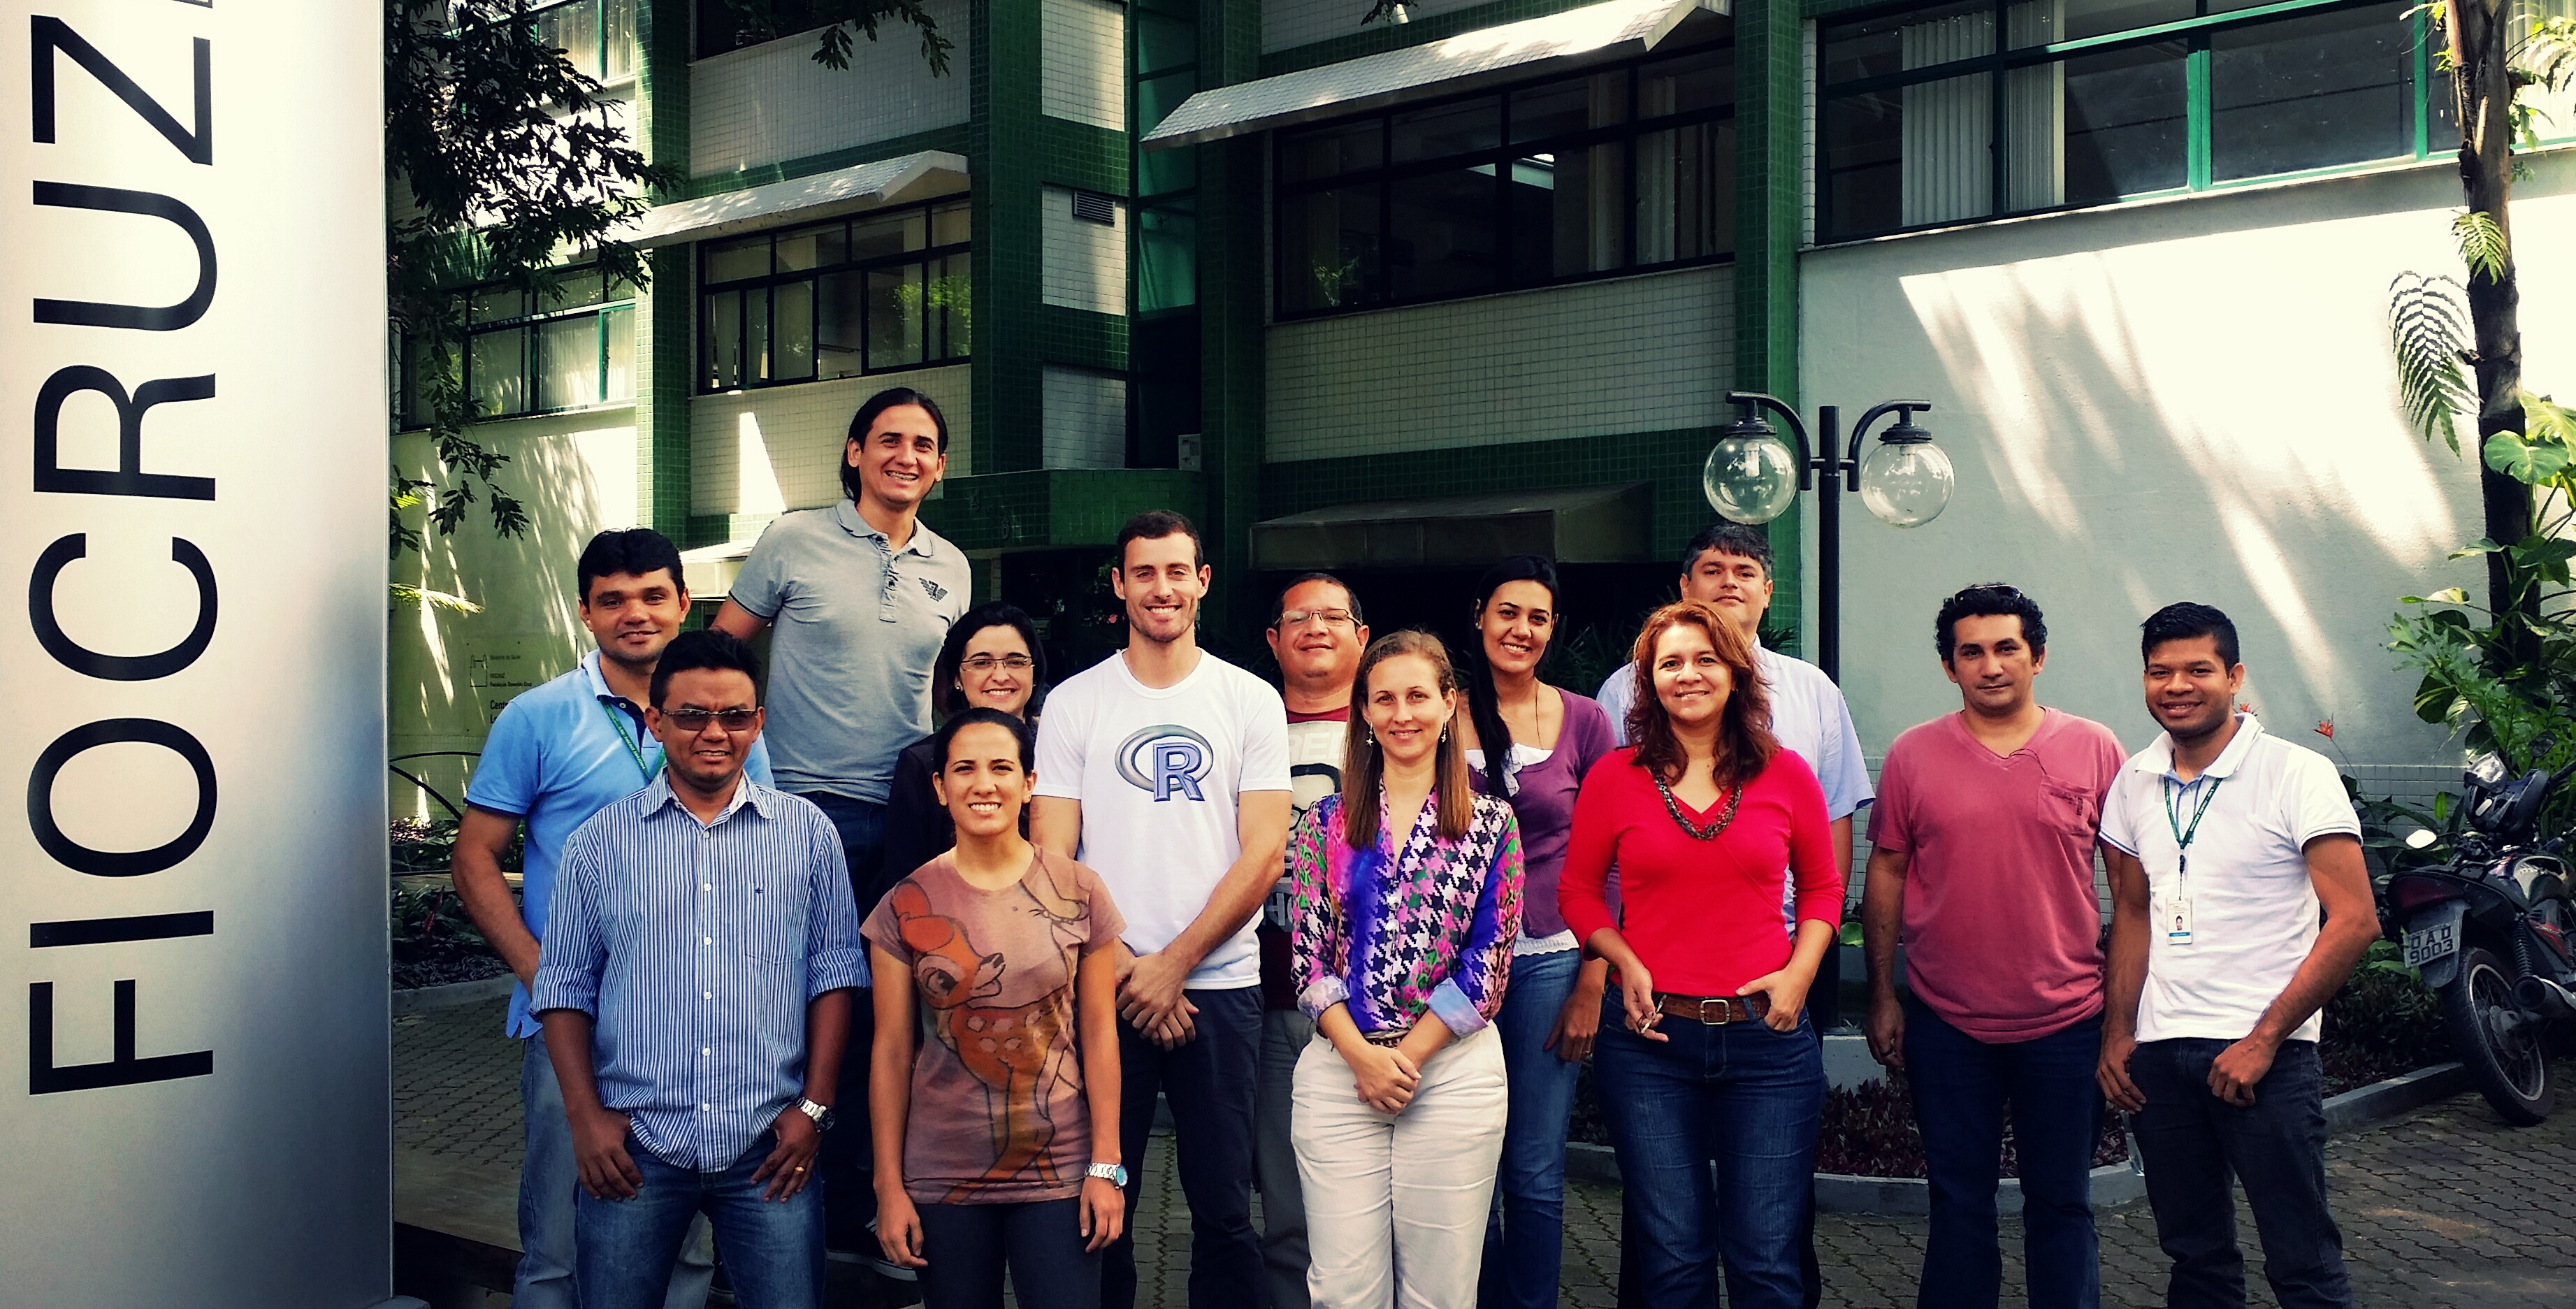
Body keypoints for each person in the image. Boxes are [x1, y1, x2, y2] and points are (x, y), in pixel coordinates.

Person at [453, 528, 770, 1309]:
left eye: (653, 595)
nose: (636, 613)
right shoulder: (538, 717)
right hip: (578, 1024)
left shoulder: (723, 714)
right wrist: (540, 973)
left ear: (683, 603)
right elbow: (473, 858)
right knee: (559, 1242)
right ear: (585, 612)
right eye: (613, 599)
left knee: (685, 1248)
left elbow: (761, 848)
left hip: (698, 1022)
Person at [529, 629, 867, 1309]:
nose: (714, 732)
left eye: (734, 715)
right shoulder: (599, 844)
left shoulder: (808, 835)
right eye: (691, 715)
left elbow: (832, 976)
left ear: (757, 722)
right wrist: (585, 1119)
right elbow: (563, 988)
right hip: (635, 1146)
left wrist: (815, 1108)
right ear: (656, 721)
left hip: (770, 1145)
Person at [712, 385, 973, 1259]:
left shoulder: (951, 565)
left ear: (939, 465)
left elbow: (951, 694)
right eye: (888, 439)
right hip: (797, 811)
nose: (906, 456)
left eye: (924, 444)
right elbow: (722, 649)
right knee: (779, 1010)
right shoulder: (793, 538)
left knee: (876, 1018)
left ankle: (857, 1204)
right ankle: (751, 1205)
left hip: (905, 821)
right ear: (855, 452)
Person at [1595, 523, 1869, 1309]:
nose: (1727, 582)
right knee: (1666, 1242)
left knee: (1769, 1237)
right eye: (1709, 569)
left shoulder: (1811, 693)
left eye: (1744, 570)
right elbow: (1605, 851)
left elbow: (1831, 842)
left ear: (1767, 591)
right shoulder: (1624, 691)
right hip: (1657, 989)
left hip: (1778, 977)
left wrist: (1805, 963)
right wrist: (1615, 961)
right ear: (1684, 588)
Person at [1032, 510, 1294, 1309]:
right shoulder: (1074, 702)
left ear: (1201, 581)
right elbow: (1051, 857)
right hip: (1103, 988)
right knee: (1102, 1205)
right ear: (1118, 585)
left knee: (1223, 1209)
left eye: (1176, 571)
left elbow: (1264, 854)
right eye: (1143, 572)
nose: (1161, 588)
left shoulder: (1249, 699)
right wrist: (1128, 971)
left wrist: (1172, 966)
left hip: (1220, 988)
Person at [2097, 604, 2375, 1309]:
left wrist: (2263, 1039)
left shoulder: (2295, 772)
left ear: (2234, 675)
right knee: (2195, 1261)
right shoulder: (2133, 780)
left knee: (2302, 1263)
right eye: (2159, 671)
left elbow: (2354, 919)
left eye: (2197, 669)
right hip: (2160, 1058)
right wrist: (2118, 1032)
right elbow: (2132, 912)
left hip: (2264, 1059)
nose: (2176, 686)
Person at [1859, 585, 2126, 1309]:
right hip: (1947, 1023)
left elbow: (2131, 892)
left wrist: (2124, 1017)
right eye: (1970, 652)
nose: (1990, 665)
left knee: (2062, 1201)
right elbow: (1886, 870)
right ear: (1949, 667)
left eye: (2007, 647)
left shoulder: (2095, 748)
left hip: (2066, 1021)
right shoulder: (1913, 755)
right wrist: (1882, 994)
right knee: (1957, 1201)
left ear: (2038, 657)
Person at [1290, 630, 1524, 1309]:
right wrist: (1364, 1059)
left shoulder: (1491, 824)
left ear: (1449, 704)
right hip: (1341, 1071)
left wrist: (1405, 1059)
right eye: (1384, 699)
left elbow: (1489, 964)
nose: (1402, 714)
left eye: (1418, 696)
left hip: (1451, 1074)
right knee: (1342, 1291)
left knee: (1439, 1294)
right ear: (1364, 711)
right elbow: (1309, 958)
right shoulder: (1324, 824)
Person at [866, 708, 1129, 1309]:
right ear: (940, 787)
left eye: (1001, 767)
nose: (983, 783)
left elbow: (1098, 1033)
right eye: (964, 769)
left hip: (1061, 1170)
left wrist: (1106, 1164)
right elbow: (892, 1051)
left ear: (1029, 783)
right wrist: (889, 1186)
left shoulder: (1080, 891)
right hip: (940, 1172)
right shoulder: (904, 904)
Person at [1451, 557, 1615, 1309]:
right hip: (1449, 966)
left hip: (1552, 959)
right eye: (1507, 612)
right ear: (1479, 615)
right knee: (1466, 1166)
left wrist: (1593, 979)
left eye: (1538, 617)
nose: (1521, 629)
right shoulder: (1439, 712)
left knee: (1534, 1168)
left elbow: (1613, 855)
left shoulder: (1584, 720)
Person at [1254, 573, 1370, 1309]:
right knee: (1286, 1201)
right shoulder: (1243, 720)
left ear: (1363, 635)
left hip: (1376, 1004)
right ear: (1273, 639)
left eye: (1333, 616)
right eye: (1299, 617)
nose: (1316, 628)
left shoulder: (1393, 722)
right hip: (1268, 993)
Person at [881, 602, 1050, 881]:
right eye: (981, 663)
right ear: (957, 677)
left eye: (1016, 661)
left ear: (1034, 671)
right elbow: (905, 879)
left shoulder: (1059, 750)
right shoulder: (922, 762)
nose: (1000, 676)